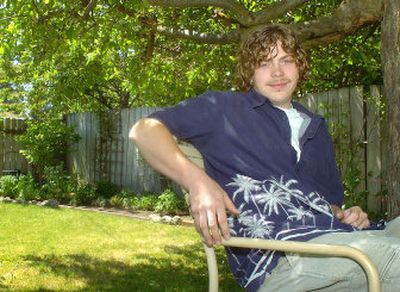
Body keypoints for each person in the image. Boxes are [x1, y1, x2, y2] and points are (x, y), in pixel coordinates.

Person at [130, 24, 400, 291]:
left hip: (336, 242)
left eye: (286, 60)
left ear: (300, 66)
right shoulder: (222, 109)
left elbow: (329, 207)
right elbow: (143, 130)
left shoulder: (315, 126)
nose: (278, 72)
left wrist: (350, 216)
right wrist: (197, 181)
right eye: (264, 63)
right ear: (250, 71)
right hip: (282, 259)